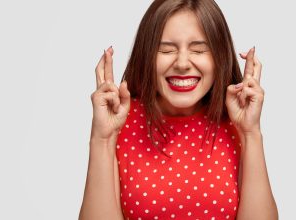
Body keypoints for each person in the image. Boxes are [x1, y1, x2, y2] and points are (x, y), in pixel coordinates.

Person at [79, 0, 278, 219]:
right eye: (166, 49)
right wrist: (102, 138)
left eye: (199, 49)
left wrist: (250, 133)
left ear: (219, 56)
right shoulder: (120, 121)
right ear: (146, 55)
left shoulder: (236, 122)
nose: (182, 63)